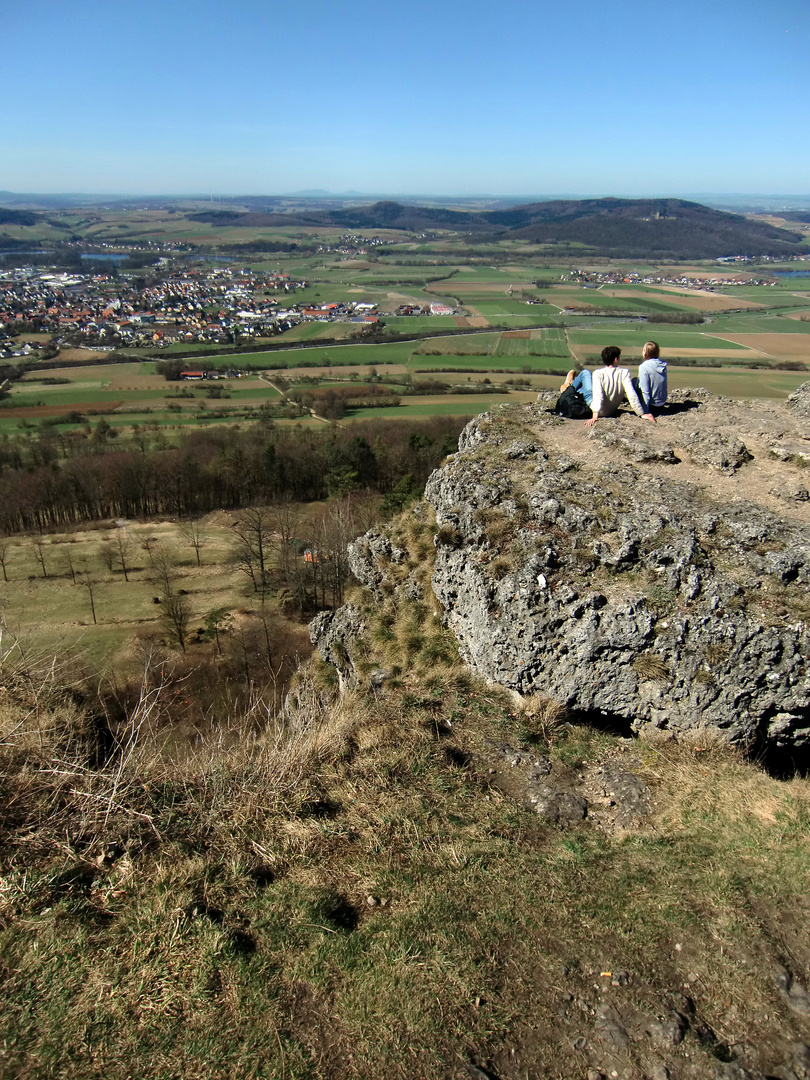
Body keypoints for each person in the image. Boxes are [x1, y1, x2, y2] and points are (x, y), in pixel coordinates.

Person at [584, 346, 655, 428]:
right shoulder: (624, 372)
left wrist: (595, 416)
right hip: (611, 410)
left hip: (598, 410)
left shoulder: (598, 373)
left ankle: (568, 386)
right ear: (615, 359)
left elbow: (598, 394)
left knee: (585, 374)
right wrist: (641, 413)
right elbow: (631, 393)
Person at [637, 340, 667, 414]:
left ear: (645, 352)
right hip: (662, 403)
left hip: (652, 406)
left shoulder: (643, 367)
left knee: (634, 382)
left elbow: (645, 392)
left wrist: (645, 412)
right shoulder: (663, 365)